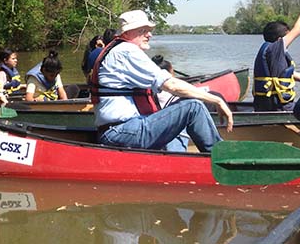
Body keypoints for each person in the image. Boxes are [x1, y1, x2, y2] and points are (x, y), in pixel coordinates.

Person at [92, 9, 233, 153]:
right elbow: (171, 85)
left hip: (121, 131)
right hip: (122, 132)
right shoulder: (126, 51)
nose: (149, 34)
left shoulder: (117, 50)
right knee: (193, 107)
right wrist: (217, 100)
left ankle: (177, 162)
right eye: (143, 30)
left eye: (149, 30)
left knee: (176, 121)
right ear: (127, 33)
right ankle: (221, 158)